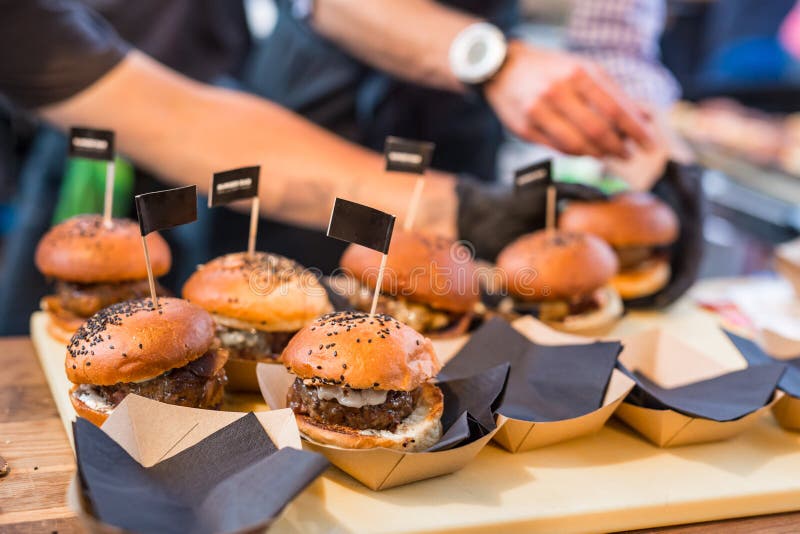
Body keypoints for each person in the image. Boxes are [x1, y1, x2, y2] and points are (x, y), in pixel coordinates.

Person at [0, 0, 697, 334]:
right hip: (324, 84)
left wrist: (472, 210)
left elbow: (175, 120)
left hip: (440, 114)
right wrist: (489, 58)